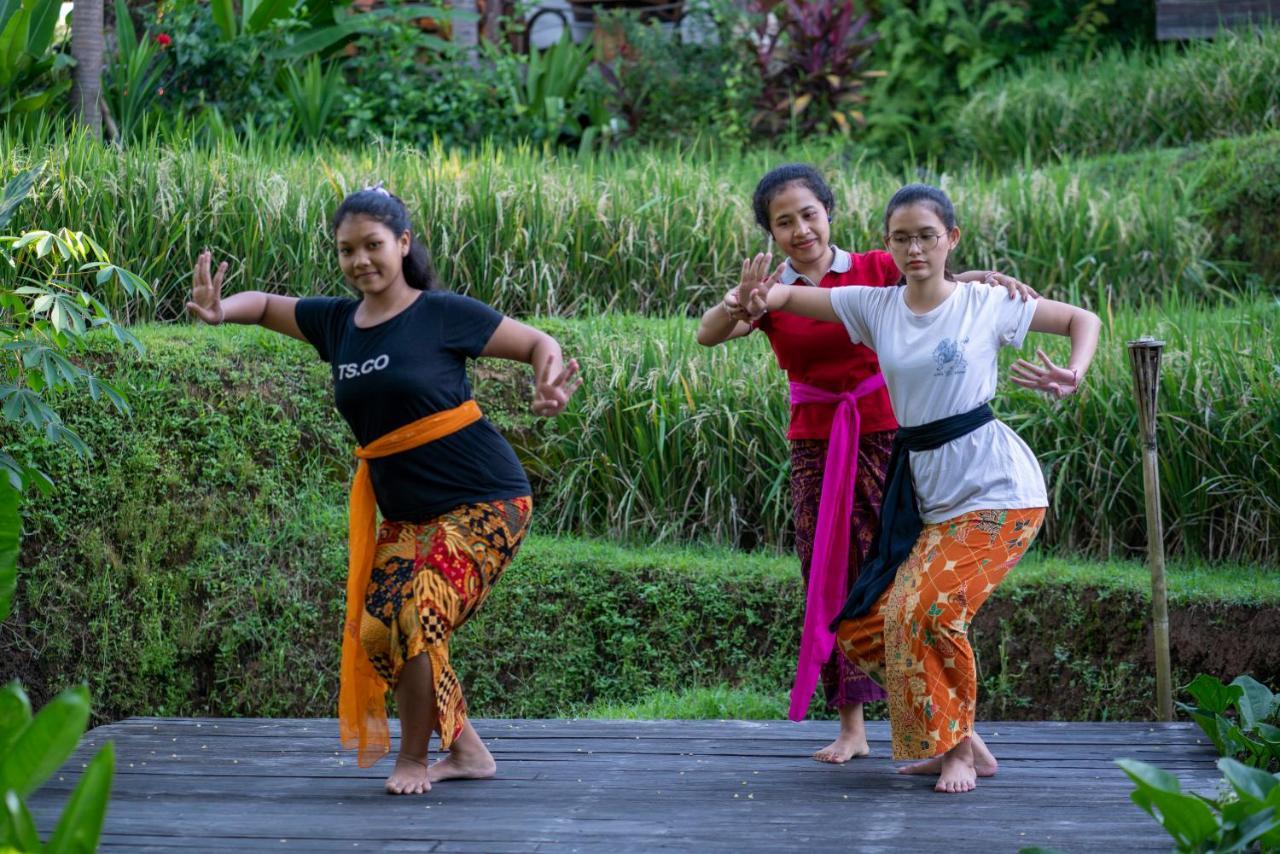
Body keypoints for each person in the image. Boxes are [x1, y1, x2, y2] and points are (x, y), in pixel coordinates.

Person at [186, 185, 581, 795]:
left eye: (373, 245)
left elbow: (536, 342)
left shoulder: (441, 313)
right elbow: (265, 304)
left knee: (417, 614)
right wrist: (221, 310)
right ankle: (470, 752)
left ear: (402, 243)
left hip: (485, 500)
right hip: (406, 516)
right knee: (379, 632)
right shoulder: (337, 323)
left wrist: (548, 381)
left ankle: (416, 761)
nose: (360, 260)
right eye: (347, 250)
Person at [740, 182, 1100, 793]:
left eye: (927, 235)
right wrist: (750, 297)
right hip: (931, 497)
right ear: (887, 244)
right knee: (862, 626)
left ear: (950, 239)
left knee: (928, 610)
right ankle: (959, 738)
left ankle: (956, 755)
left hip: (998, 490)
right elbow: (784, 299)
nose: (914, 248)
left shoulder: (984, 302)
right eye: (901, 237)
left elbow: (1079, 319)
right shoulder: (876, 308)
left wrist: (1075, 371)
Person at [696, 164, 1034, 764]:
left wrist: (985, 279)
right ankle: (852, 726)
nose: (800, 229)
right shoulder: (770, 290)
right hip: (816, 443)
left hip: (893, 440)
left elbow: (939, 285)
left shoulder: (878, 266)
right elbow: (708, 334)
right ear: (770, 233)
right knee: (830, 576)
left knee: (905, 578)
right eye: (784, 222)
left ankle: (950, 726)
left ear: (829, 213)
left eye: (809, 214)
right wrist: (737, 300)